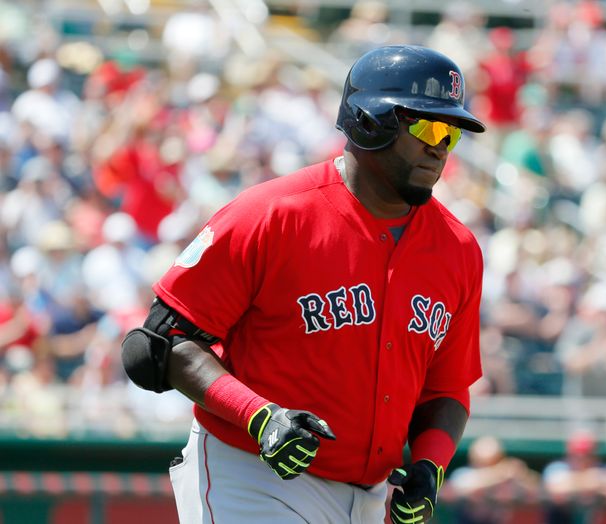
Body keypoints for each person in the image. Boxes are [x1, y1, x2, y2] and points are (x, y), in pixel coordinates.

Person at [121, 45, 486, 524]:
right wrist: (259, 415)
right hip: (253, 476)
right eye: (427, 126)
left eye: (451, 132)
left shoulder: (458, 248)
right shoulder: (271, 214)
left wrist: (429, 467)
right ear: (369, 121)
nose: (440, 145)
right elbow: (157, 345)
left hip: (372, 496)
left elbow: (447, 389)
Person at [542, 430, 606, 524]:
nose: (581, 460)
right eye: (576, 455)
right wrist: (590, 481)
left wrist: (600, 479)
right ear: (569, 454)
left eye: (586, 455)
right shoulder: (558, 467)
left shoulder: (601, 470)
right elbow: (554, 487)